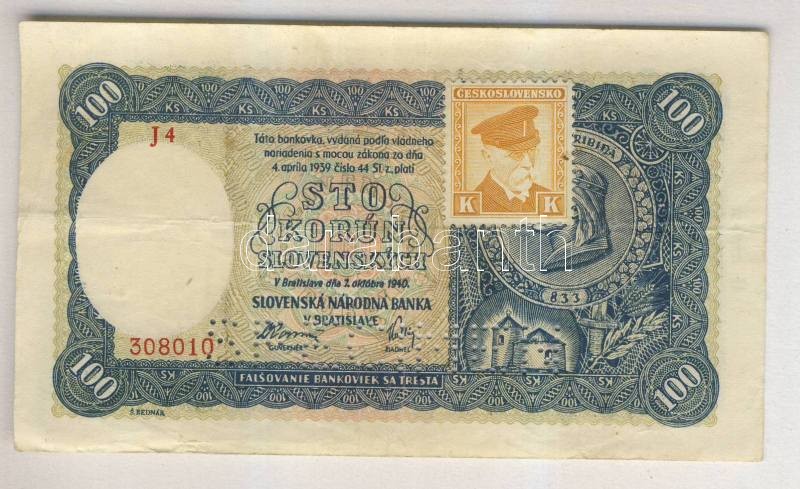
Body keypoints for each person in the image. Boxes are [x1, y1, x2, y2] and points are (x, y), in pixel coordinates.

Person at [471, 105, 551, 213]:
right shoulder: (475, 206)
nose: (528, 164)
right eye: (516, 154)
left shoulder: (548, 197)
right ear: (488, 157)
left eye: (531, 151)